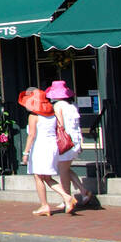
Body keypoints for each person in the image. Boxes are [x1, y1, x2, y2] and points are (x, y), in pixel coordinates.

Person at [19, 87, 77, 216]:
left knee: (38, 177)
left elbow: (32, 135)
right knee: (46, 177)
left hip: (40, 146)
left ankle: (45, 205)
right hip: (52, 146)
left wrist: (25, 153)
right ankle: (66, 197)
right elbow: (60, 126)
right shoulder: (53, 113)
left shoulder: (33, 116)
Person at [48, 80, 95, 208]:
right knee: (65, 168)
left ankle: (67, 199)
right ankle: (83, 192)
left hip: (65, 142)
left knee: (62, 171)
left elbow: (60, 125)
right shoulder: (72, 105)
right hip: (74, 140)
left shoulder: (58, 106)